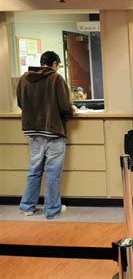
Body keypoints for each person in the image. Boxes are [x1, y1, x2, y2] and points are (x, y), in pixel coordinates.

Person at [16, 51, 76, 219]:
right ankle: (51, 210)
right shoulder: (55, 78)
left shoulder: (24, 78)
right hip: (53, 130)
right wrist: (72, 109)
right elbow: (65, 107)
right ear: (55, 64)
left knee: (34, 169)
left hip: (32, 130)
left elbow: (21, 102)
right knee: (52, 172)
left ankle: (27, 206)